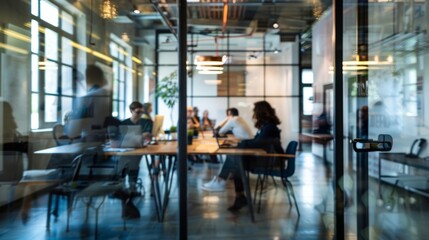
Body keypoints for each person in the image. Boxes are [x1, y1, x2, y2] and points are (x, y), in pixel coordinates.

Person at [202, 101, 284, 212]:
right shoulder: (267, 126)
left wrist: (239, 144)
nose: (253, 114)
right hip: (267, 158)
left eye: (255, 112)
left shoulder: (269, 127)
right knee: (236, 159)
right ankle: (235, 193)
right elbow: (256, 140)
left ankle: (223, 182)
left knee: (236, 159)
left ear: (260, 113)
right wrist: (237, 144)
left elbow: (257, 143)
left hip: (270, 161)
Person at [69, 64, 112, 142]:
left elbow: (73, 131)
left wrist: (70, 121)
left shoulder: (86, 99)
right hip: (104, 140)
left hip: (88, 141)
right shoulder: (106, 95)